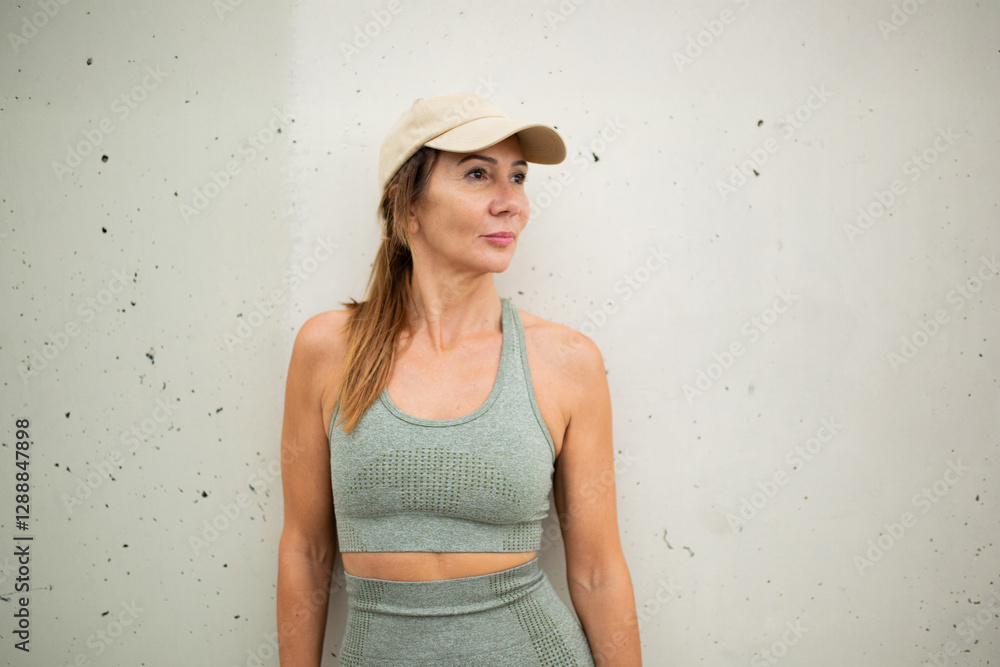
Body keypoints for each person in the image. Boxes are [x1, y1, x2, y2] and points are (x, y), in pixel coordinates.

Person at [276, 93, 641, 666]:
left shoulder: (566, 360)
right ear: (407, 206)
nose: (511, 203)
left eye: (518, 178)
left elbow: (598, 572)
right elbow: (306, 551)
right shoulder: (329, 350)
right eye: (477, 174)